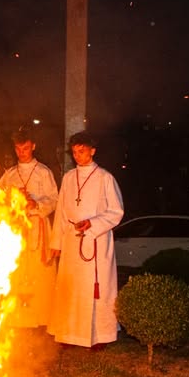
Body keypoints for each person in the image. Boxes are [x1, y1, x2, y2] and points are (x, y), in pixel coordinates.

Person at [48, 132, 124, 348]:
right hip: (73, 241)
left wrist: (93, 223)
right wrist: (56, 243)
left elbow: (116, 212)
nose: (77, 156)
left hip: (96, 242)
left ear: (92, 150)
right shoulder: (69, 177)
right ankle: (70, 335)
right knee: (71, 288)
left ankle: (98, 336)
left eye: (81, 151)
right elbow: (62, 212)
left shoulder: (105, 178)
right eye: (74, 152)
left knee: (94, 290)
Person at [0, 129, 59, 328]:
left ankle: (41, 318)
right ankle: (17, 318)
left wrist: (36, 204)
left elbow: (54, 200)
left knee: (38, 274)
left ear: (33, 146)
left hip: (37, 228)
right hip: (16, 229)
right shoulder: (10, 174)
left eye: (25, 148)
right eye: (18, 148)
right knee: (16, 272)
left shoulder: (43, 172)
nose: (22, 152)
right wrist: (14, 201)